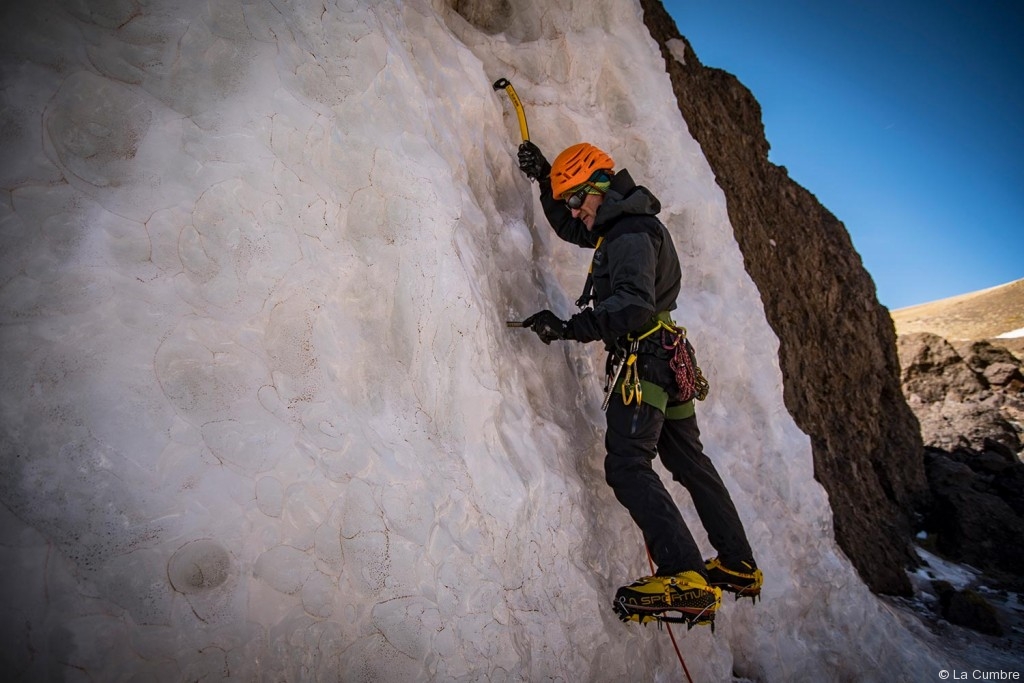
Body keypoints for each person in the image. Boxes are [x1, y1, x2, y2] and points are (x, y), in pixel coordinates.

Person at [515, 140, 762, 627]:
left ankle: (683, 575)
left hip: (645, 359)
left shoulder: (627, 233)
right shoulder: (624, 222)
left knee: (628, 464)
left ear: (599, 188)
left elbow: (631, 307)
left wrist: (568, 328)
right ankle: (737, 563)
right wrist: (547, 181)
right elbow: (572, 227)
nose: (574, 212)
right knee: (688, 460)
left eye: (576, 199)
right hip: (669, 359)